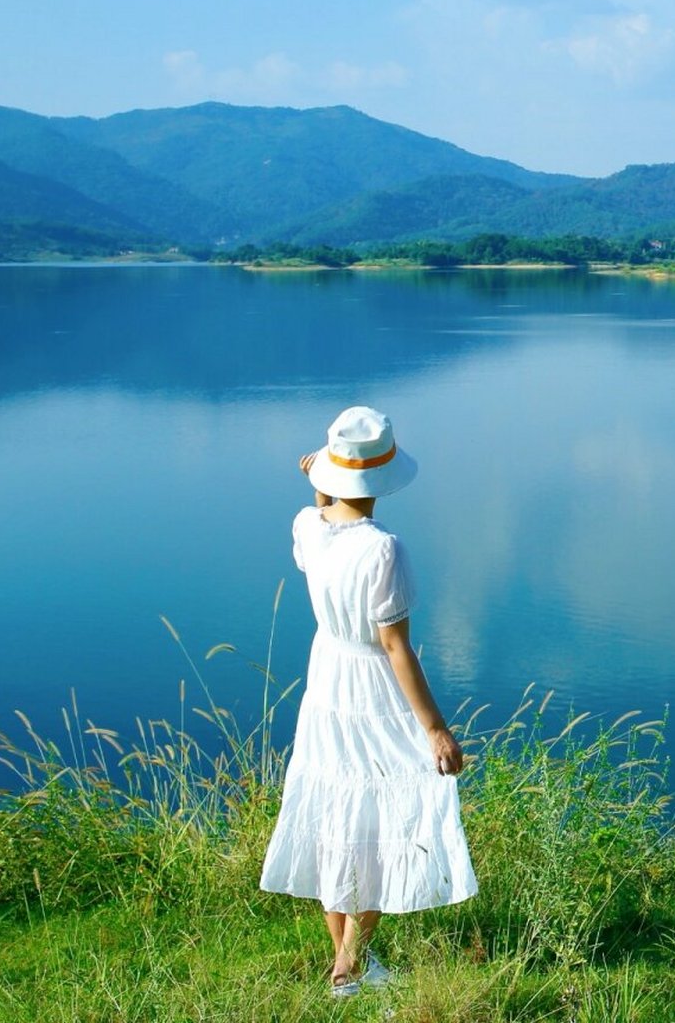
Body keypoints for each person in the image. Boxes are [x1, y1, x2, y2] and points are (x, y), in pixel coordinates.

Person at [259, 405, 477, 998]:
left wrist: (318, 485)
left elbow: (319, 515)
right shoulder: (384, 550)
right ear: (382, 480)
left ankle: (349, 965)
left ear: (331, 475)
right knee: (388, 817)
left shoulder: (309, 526)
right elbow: (395, 647)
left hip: (328, 681)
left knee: (339, 814)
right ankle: (348, 966)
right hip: (375, 688)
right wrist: (434, 729)